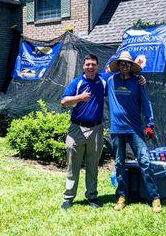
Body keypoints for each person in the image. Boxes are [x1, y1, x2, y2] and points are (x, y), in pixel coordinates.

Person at [60, 54, 147, 210]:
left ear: (98, 66)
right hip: (77, 129)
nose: (90, 67)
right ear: (83, 66)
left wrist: (140, 78)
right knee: (73, 166)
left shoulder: (103, 80)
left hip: (96, 129)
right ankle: (68, 197)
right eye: (88, 64)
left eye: (93, 64)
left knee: (93, 166)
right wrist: (80, 97)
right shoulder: (77, 82)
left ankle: (92, 196)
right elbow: (64, 101)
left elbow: (124, 74)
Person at [107, 51, 162, 213]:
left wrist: (150, 124)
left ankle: (155, 198)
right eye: (122, 63)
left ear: (131, 66)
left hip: (135, 130)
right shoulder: (111, 81)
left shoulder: (138, 82)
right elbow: (95, 75)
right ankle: (122, 196)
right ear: (118, 66)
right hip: (117, 129)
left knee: (145, 162)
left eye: (128, 63)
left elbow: (146, 103)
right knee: (119, 163)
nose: (125, 66)